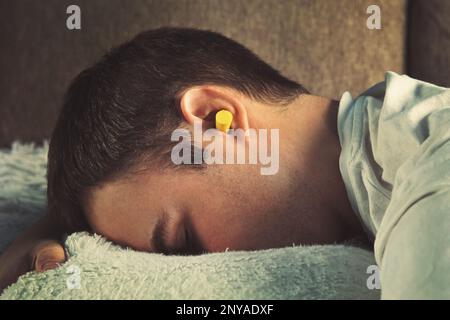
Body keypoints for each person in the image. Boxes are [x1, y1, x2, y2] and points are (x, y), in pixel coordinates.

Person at [1, 28, 449, 299]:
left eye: (183, 244)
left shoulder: (433, 178)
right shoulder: (390, 150)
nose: (195, 272)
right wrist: (44, 232)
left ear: (217, 122)